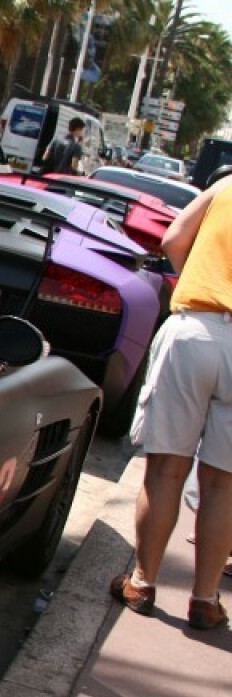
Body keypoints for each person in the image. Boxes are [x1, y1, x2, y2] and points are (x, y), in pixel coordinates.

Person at [111, 172, 232, 630]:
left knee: (165, 469)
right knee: (224, 484)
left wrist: (197, 279)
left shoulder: (226, 187)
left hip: (194, 330)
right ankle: (204, 599)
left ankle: (142, 581)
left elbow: (173, 238)